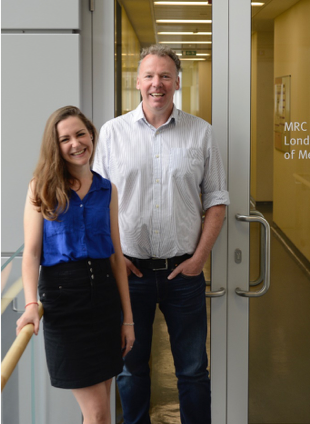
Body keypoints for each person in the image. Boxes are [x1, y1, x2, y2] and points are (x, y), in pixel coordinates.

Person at [93, 45, 230, 424]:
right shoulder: (112, 133)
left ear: (177, 83)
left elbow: (217, 200)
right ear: (137, 82)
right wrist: (113, 257)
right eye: (150, 76)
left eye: (166, 75)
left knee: (191, 371)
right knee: (131, 370)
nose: (158, 83)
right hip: (128, 274)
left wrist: (198, 259)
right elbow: (95, 202)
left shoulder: (201, 133)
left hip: (182, 275)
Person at [16, 106, 135, 424]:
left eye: (80, 134)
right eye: (65, 138)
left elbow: (115, 256)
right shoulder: (40, 188)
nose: (76, 143)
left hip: (105, 300)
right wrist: (31, 303)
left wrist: (128, 320)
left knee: (101, 411)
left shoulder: (106, 189)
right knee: (97, 414)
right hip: (64, 302)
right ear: (55, 146)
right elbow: (31, 254)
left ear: (92, 135)